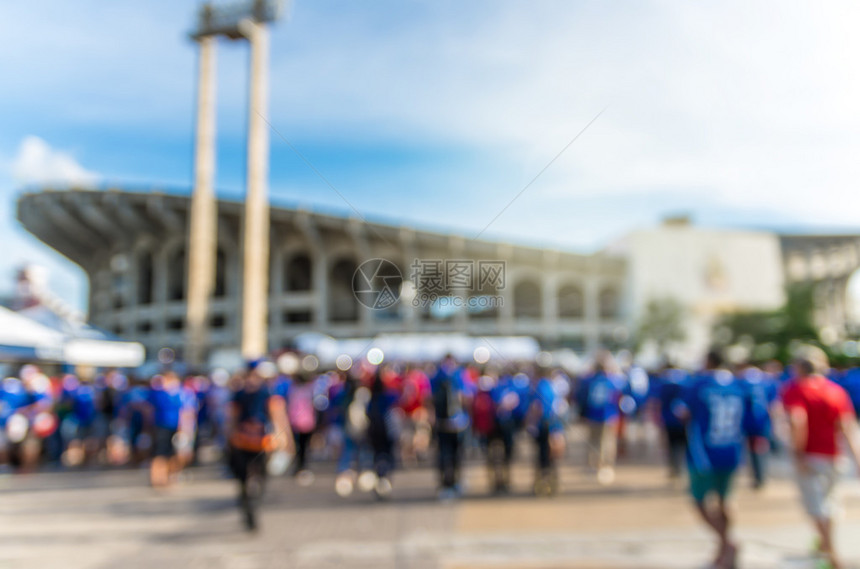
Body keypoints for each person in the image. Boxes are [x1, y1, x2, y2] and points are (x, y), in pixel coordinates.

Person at [677, 350, 761, 569]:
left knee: (699, 501)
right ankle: (723, 547)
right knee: (725, 499)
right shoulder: (739, 385)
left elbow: (682, 412)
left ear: (708, 362)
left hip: (704, 453)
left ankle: (726, 542)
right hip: (732, 451)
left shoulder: (700, 385)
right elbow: (754, 418)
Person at [783, 351, 860, 569]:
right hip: (834, 455)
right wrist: (857, 458)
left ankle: (830, 553)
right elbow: (847, 426)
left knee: (816, 506)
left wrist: (798, 452)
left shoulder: (796, 389)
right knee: (830, 504)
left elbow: (798, 421)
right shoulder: (836, 391)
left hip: (811, 455)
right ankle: (825, 546)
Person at [227, 361, 293, 531]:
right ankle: (249, 506)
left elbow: (277, 417)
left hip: (262, 442)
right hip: (245, 441)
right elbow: (232, 418)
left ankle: (252, 504)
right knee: (246, 479)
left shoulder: (267, 394)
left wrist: (284, 439)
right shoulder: (243, 394)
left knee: (260, 477)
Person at [576, 353, 623, 485]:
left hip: (593, 415)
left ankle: (593, 466)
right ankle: (604, 467)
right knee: (607, 442)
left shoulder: (588, 380)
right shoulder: (613, 381)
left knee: (593, 441)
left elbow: (581, 397)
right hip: (608, 415)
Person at [147, 371, 197, 488]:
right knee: (160, 453)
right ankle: (158, 478)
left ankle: (171, 475)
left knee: (178, 454)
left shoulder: (183, 393)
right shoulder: (158, 394)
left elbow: (188, 412)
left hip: (178, 428)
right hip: (161, 427)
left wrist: (186, 429)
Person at [430, 354, 470, 499]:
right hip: (454, 424)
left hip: (444, 423)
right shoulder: (459, 375)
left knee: (447, 455)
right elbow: (466, 397)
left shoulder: (437, 376)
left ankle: (447, 483)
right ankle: (452, 483)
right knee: (452, 455)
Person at [656, 365, 688, 479]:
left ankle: (673, 468)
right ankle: (679, 468)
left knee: (671, 445)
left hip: (669, 420)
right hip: (681, 421)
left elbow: (659, 402)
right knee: (682, 445)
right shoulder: (684, 381)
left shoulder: (664, 383)